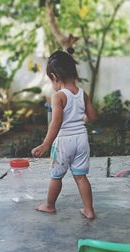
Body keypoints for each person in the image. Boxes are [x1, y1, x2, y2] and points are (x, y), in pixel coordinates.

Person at [31, 48, 97, 219]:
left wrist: (46, 144)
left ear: (55, 77)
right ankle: (89, 210)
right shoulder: (84, 94)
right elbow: (93, 117)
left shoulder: (59, 96)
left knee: (56, 176)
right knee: (81, 177)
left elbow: (56, 122)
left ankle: (49, 205)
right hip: (82, 140)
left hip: (63, 143)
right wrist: (80, 119)